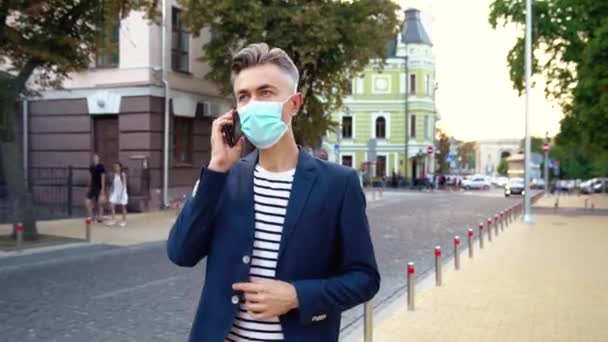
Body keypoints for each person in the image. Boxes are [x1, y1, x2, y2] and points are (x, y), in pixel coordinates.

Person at [167, 43, 379, 342]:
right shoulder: (223, 178)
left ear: (294, 103)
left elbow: (365, 278)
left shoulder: (338, 184)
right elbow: (181, 253)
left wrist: (297, 296)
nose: (253, 104)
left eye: (265, 92)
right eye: (244, 96)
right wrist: (216, 168)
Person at [85, 153, 106, 223]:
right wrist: (89, 185)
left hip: (99, 187)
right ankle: (91, 216)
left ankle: (100, 217)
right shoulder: (91, 167)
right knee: (88, 201)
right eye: (94, 158)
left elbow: (103, 177)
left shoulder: (101, 167)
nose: (95, 159)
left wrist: (103, 189)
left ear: (98, 159)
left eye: (96, 158)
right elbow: (91, 177)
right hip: (92, 187)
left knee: (100, 203)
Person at [107, 162, 128, 227]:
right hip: (115, 192)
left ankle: (124, 220)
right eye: (115, 166)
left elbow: (124, 184)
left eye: (117, 166)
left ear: (120, 167)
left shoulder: (123, 174)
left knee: (123, 206)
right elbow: (113, 184)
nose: (116, 168)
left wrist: (122, 193)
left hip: (122, 192)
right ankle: (113, 219)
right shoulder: (114, 175)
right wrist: (110, 192)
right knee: (112, 204)